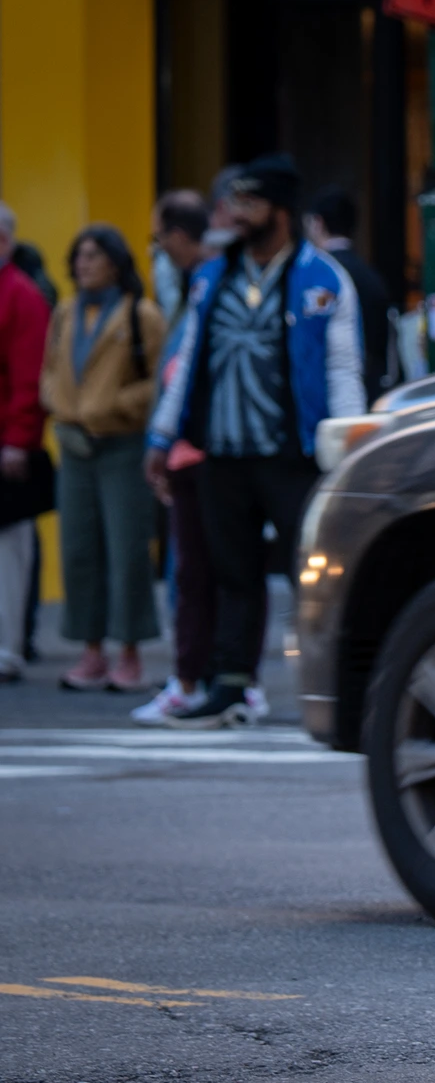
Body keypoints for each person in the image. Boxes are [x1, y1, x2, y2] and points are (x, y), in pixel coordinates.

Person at [145, 153, 365, 728]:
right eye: (233, 201)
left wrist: (348, 444)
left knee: (313, 574)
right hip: (222, 452)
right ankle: (232, 686)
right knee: (232, 574)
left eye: (248, 202)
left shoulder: (324, 278)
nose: (235, 213)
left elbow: (343, 369)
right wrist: (162, 436)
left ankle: (342, 683)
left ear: (281, 210)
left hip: (292, 455)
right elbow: (190, 355)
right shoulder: (212, 276)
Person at [41, 226, 167, 691]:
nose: (82, 264)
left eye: (93, 256)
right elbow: (51, 367)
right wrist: (56, 400)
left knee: (127, 549)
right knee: (78, 550)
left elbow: (160, 379)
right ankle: (90, 649)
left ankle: (130, 652)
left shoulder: (143, 315)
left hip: (122, 443)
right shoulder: (66, 311)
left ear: (115, 261)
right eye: (79, 256)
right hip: (74, 445)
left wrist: (114, 406)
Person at [0, 202, 52, 683]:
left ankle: (7, 648)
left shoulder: (21, 295)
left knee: (10, 552)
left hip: (6, 443)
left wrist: (18, 439)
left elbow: (28, 377)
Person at [304, 185, 395, 406]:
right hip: (371, 394)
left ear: (317, 223)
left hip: (327, 397)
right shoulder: (372, 277)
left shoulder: (318, 280)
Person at [151, 190, 208, 331]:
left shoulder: (213, 280)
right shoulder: (187, 273)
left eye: (159, 237)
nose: (159, 247)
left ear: (178, 237)